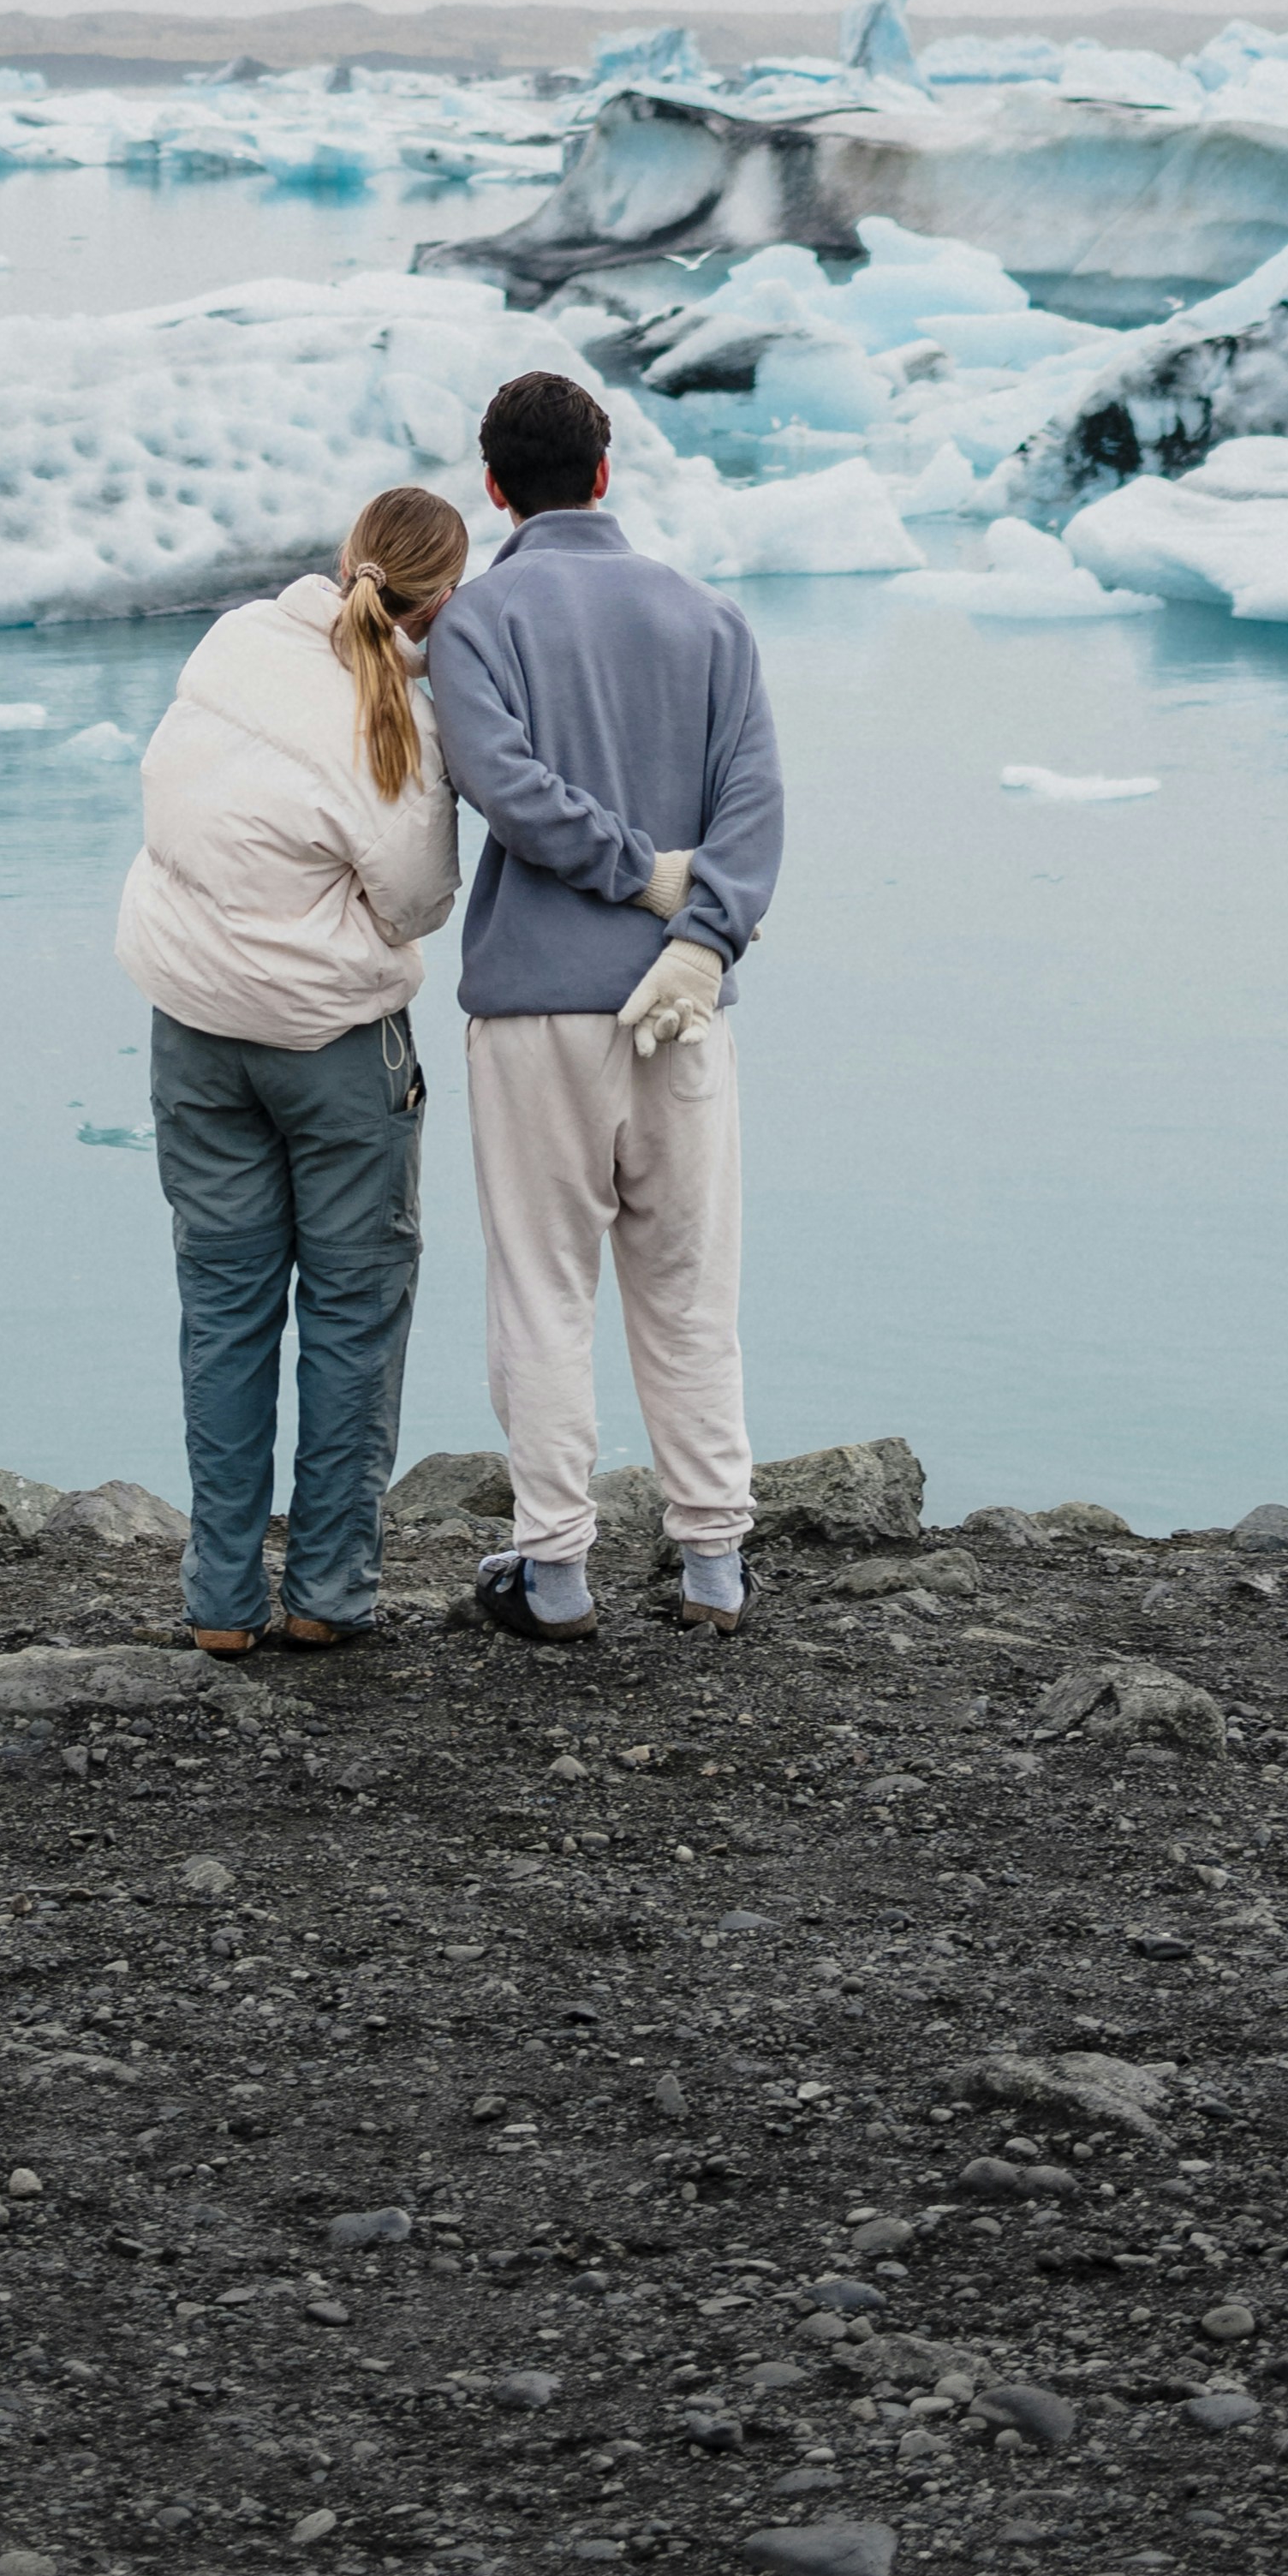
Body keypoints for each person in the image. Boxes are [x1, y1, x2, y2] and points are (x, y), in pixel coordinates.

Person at [425, 362, 784, 1639]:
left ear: (492, 489)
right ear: (605, 472)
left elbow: (502, 784)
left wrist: (629, 873)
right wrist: (700, 934)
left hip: (535, 1015)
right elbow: (753, 805)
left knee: (543, 1288)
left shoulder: (473, 623)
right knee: (689, 1288)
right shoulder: (710, 619)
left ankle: (559, 1571)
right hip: (682, 1010)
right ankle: (712, 1566)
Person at [116, 479, 470, 1653]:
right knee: (354, 1309)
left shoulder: (232, 643)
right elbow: (415, 903)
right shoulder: (400, 725)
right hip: (332, 1052)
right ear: (440, 606)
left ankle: (220, 1601)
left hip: (194, 1031)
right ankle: (328, 1590)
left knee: (221, 1307)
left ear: (346, 558)